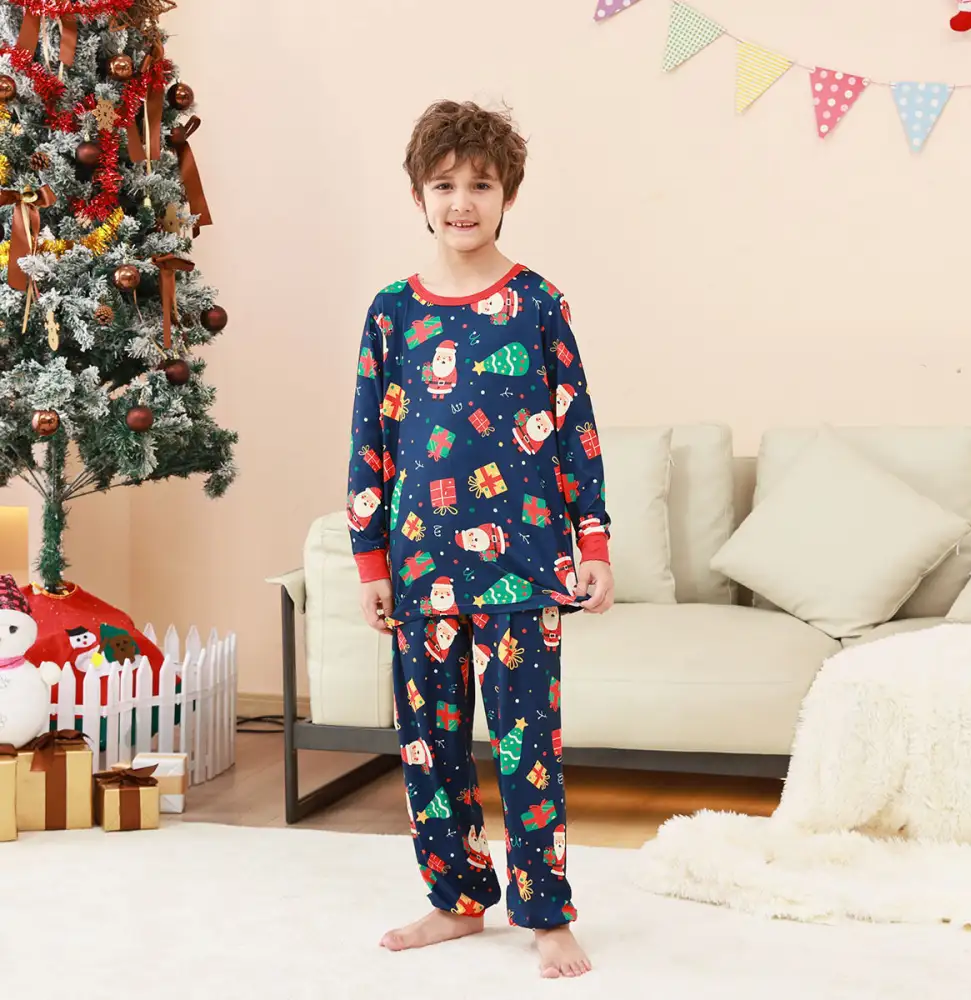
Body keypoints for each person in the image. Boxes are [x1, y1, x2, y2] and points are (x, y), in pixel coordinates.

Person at [346, 99, 614, 980]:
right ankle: (456, 899)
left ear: (508, 196)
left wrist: (594, 543)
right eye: (444, 185)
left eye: (481, 185)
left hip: (526, 568)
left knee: (529, 748)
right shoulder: (393, 312)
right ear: (418, 197)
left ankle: (546, 911)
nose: (462, 201)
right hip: (420, 567)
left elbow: (575, 430)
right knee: (430, 744)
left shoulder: (537, 303)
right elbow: (371, 442)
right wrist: (370, 560)